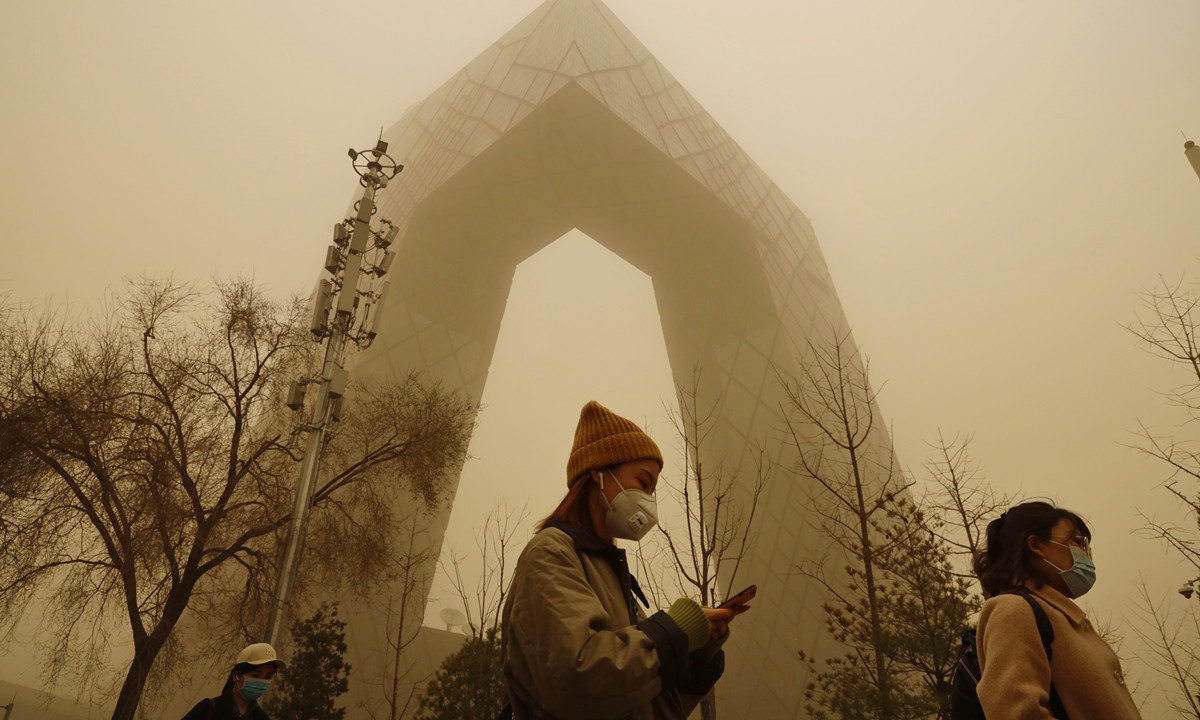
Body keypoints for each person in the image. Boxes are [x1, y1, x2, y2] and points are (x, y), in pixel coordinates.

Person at [501, 401, 749, 720]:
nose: (649, 501)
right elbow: (578, 681)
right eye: (643, 482)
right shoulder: (551, 553)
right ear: (599, 472)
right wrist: (676, 629)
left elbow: (641, 703)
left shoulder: (613, 578)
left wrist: (696, 652)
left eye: (653, 491)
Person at [972, 500, 1140, 719]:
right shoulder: (1013, 609)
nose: (1084, 553)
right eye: (1076, 541)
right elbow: (1016, 712)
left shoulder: (1063, 620)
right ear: (1036, 546)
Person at [181, 642, 286, 720]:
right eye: (255, 675)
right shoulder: (209, 708)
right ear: (236, 676)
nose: (261, 681)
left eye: (267, 677)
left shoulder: (262, 718)